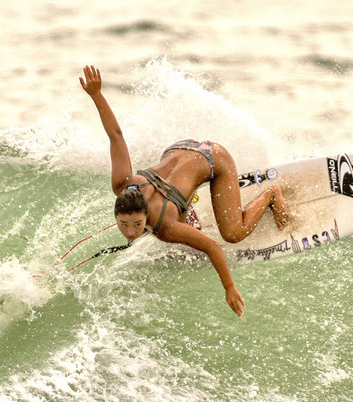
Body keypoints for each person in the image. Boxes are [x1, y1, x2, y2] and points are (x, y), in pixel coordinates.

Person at [80, 65, 290, 318]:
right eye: (124, 225)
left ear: (146, 214)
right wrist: (96, 94)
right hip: (180, 148)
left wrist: (229, 287)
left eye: (137, 224)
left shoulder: (164, 228)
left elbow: (213, 247)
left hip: (215, 158)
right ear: (117, 213)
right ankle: (186, 206)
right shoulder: (122, 183)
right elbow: (115, 136)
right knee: (175, 205)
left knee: (233, 233)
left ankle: (271, 195)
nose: (132, 232)